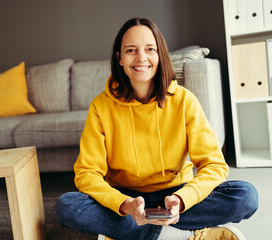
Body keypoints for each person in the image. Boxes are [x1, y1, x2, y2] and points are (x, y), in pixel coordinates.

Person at [56, 18, 258, 240]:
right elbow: (87, 173)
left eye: (150, 49)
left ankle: (133, 233)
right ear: (119, 58)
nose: (141, 57)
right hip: (126, 200)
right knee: (68, 206)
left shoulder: (184, 101)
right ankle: (179, 235)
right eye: (131, 50)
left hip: (176, 195)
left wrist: (181, 200)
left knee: (245, 196)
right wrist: (124, 204)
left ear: (160, 55)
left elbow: (213, 165)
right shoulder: (100, 106)